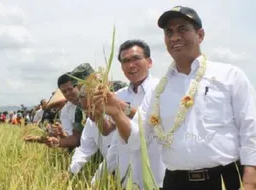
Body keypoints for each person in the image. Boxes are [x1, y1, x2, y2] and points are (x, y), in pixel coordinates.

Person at [92, 6, 256, 190]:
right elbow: (138, 140)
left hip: (225, 179)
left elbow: (251, 130)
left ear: (200, 35)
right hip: (175, 182)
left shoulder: (229, 76)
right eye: (169, 32)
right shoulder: (160, 90)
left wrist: (250, 181)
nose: (175, 37)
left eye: (182, 29)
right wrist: (116, 114)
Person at [92, 40, 165, 189]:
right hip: (128, 179)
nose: (131, 65)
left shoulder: (162, 89)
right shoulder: (120, 94)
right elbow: (106, 129)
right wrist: (97, 113)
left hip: (156, 178)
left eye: (136, 59)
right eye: (125, 61)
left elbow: (152, 121)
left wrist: (120, 107)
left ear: (149, 62)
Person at [69, 81, 127, 175]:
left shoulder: (119, 116)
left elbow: (115, 155)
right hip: (111, 174)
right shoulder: (90, 122)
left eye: (92, 107)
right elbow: (84, 150)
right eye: (85, 109)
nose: (89, 113)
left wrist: (97, 180)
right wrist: (71, 171)